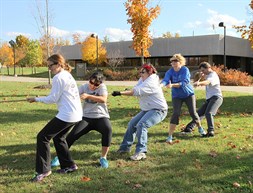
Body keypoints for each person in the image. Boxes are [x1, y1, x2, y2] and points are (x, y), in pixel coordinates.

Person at [27, 54, 83, 182]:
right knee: (59, 137)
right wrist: (38, 98)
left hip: (67, 115)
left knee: (42, 137)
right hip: (76, 114)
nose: (49, 68)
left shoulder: (58, 77)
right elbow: (57, 96)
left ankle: (43, 170)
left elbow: (53, 99)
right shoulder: (67, 75)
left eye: (50, 65)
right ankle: (69, 166)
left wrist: (36, 99)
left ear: (58, 64)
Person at [51, 72, 112, 168]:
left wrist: (88, 96)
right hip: (86, 117)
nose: (93, 86)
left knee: (108, 129)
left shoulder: (102, 87)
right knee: (72, 135)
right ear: (89, 80)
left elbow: (103, 99)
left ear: (100, 84)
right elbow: (72, 94)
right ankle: (60, 157)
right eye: (91, 83)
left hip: (101, 117)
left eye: (96, 84)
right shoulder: (84, 87)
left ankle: (103, 158)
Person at [112, 63, 168, 161]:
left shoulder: (151, 83)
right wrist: (126, 90)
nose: (140, 74)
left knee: (142, 125)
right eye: (140, 71)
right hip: (147, 109)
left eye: (143, 72)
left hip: (159, 110)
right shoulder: (143, 79)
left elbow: (136, 91)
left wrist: (120, 93)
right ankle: (125, 148)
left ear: (150, 72)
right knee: (132, 124)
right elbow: (135, 88)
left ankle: (141, 152)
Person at [160, 53, 205, 144]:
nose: (173, 63)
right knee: (175, 113)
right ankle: (170, 136)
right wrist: (160, 85)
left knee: (193, 112)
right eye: (172, 61)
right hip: (177, 96)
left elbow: (185, 82)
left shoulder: (185, 70)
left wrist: (172, 85)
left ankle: (200, 128)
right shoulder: (170, 72)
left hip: (189, 94)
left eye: (176, 61)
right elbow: (165, 80)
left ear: (180, 62)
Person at [182, 62, 223, 137]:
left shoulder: (213, 75)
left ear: (208, 68)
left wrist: (199, 83)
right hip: (210, 99)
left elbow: (208, 82)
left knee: (209, 113)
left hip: (216, 98)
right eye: (201, 70)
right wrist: (200, 78)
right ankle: (188, 128)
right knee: (198, 114)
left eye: (203, 70)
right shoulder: (207, 75)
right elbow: (200, 80)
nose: (202, 72)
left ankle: (211, 131)